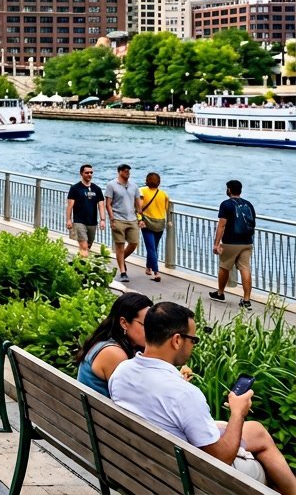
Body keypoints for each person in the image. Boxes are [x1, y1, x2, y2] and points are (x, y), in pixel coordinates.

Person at [110, 302, 296, 493]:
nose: (193, 345)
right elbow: (222, 459)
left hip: (143, 466)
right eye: (193, 340)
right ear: (176, 340)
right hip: (191, 481)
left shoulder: (121, 372)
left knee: (256, 430)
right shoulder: (184, 394)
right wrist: (238, 412)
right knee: (265, 469)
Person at [74, 292, 151, 397]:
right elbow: (135, 399)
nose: (151, 330)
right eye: (146, 324)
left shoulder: (107, 342)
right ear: (124, 323)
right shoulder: (113, 353)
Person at [211, 179, 256, 308]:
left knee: (224, 267)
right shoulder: (249, 204)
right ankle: (246, 300)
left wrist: (216, 244)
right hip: (247, 242)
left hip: (231, 242)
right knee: (245, 268)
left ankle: (220, 293)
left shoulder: (226, 204)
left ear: (229, 190)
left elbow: (222, 225)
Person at [104, 164, 141, 282]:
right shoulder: (111, 185)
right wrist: (111, 219)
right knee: (119, 246)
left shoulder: (134, 186)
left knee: (134, 243)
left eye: (129, 171)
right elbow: (108, 203)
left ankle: (121, 259)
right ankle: (123, 272)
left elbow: (137, 204)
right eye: (125, 171)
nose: (128, 173)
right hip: (118, 219)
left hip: (132, 219)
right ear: (119, 172)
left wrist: (140, 218)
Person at [66, 164, 105, 258]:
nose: (89, 174)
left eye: (91, 172)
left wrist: (102, 220)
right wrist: (68, 219)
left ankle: (78, 265)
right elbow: (70, 205)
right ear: (81, 173)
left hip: (92, 222)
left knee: (88, 246)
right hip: (79, 221)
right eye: (87, 172)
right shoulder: (75, 188)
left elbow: (101, 205)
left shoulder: (97, 189)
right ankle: (84, 270)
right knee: (83, 246)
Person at [136, 172, 170, 281]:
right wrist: (169, 221)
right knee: (153, 247)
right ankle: (148, 267)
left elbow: (139, 208)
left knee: (151, 248)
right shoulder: (164, 194)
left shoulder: (142, 191)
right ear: (159, 181)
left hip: (147, 223)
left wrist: (139, 219)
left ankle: (156, 272)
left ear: (147, 180)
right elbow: (166, 209)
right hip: (160, 223)